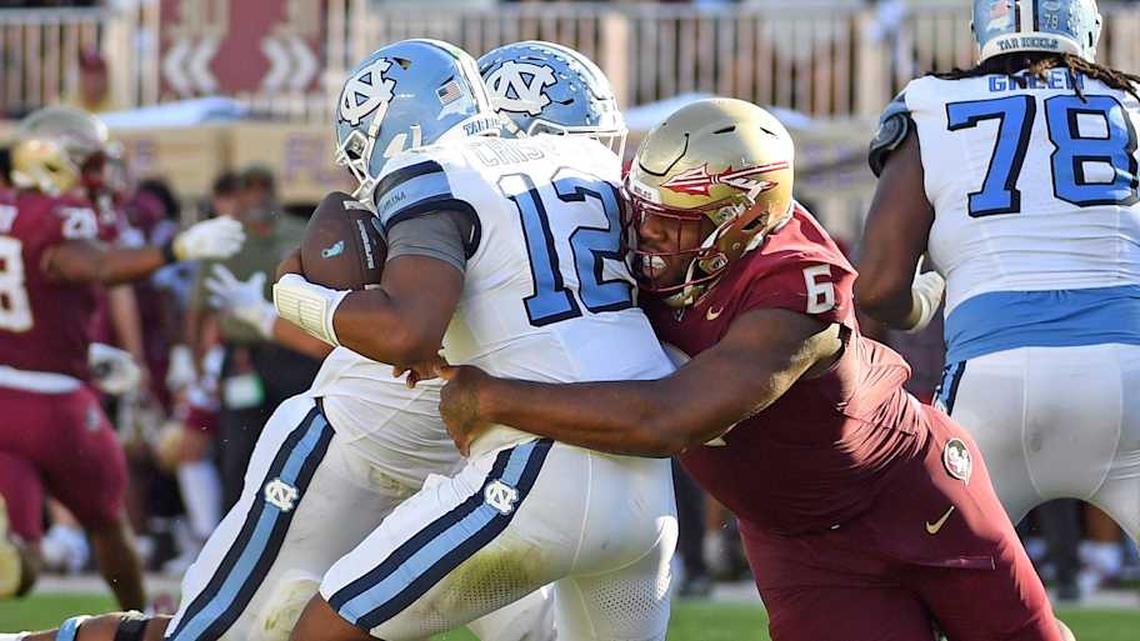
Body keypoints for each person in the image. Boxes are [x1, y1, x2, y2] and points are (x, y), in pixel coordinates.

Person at [0, 39, 578, 641]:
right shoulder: (435, 203)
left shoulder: (540, 217)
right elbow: (394, 336)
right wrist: (292, 302)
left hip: (468, 466)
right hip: (356, 448)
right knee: (221, 635)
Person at [437, 97, 1074, 641]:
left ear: (739, 223)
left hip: (912, 495)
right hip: (794, 538)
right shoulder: (647, 228)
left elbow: (669, 419)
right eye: (643, 209)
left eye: (673, 223)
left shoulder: (794, 286)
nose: (644, 234)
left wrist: (491, 396)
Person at [273, 39, 678, 641]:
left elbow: (407, 333)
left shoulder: (436, 170)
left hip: (537, 476)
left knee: (323, 630)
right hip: (647, 490)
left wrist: (293, 295)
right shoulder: (593, 168)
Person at [856, 0, 1140, 572]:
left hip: (992, 379)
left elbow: (877, 289)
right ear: (1086, 28)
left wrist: (921, 304)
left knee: (929, 599)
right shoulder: (1131, 103)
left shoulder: (932, 103)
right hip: (1129, 372)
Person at [0, 106, 245, 607]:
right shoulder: (56, 218)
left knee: (20, 562)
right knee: (108, 522)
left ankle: (17, 543)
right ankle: (137, 622)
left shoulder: (8, 209)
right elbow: (93, 265)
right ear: (50, 164)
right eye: (88, 165)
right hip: (54, 406)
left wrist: (82, 354)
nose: (99, 177)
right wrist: (177, 249)